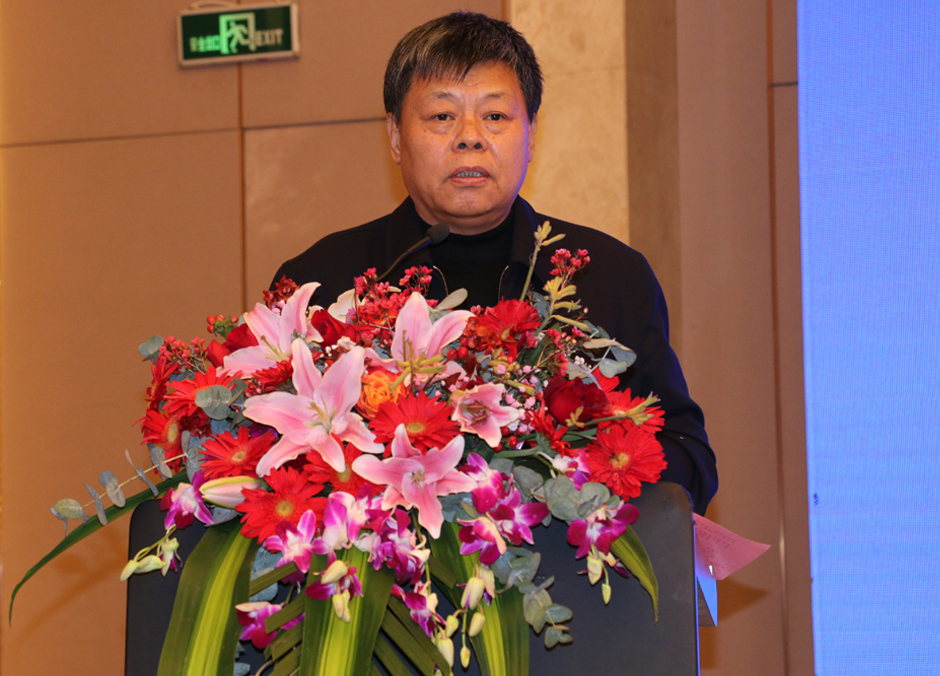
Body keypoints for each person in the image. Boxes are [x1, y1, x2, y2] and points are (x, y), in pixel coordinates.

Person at [273, 11, 717, 514]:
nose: (470, 136)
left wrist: (573, 475)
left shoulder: (609, 275)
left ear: (531, 132)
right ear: (395, 136)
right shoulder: (322, 281)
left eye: (496, 116)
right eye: (442, 116)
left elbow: (689, 458)